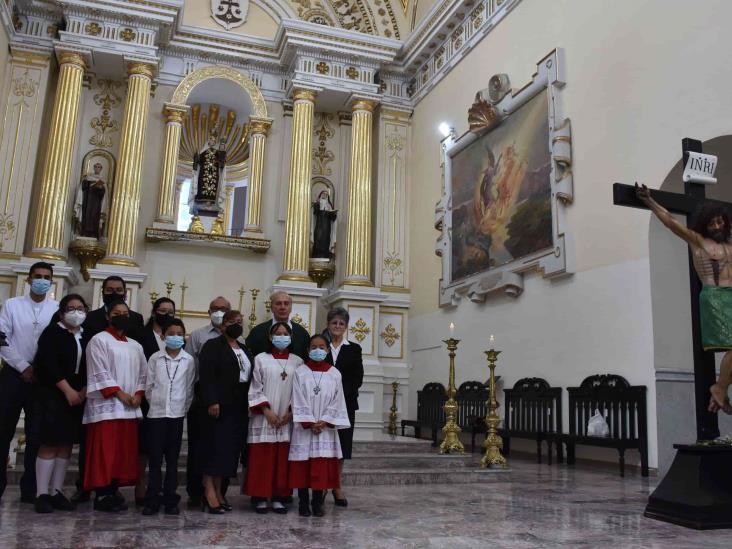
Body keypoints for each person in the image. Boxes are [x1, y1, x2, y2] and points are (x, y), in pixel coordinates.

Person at [637, 184, 732, 413]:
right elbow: (670, 221)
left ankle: (719, 393)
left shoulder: (730, 244)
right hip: (714, 299)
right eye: (712, 222)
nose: (717, 226)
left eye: (720, 221)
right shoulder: (698, 241)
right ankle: (719, 389)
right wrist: (650, 201)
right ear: (705, 224)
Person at [74, 275, 144, 504]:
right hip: (107, 406)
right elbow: (99, 371)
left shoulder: (135, 345)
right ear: (107, 317)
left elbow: (143, 374)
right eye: (116, 315)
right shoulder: (99, 340)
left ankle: (114, 489)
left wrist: (137, 395)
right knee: (105, 451)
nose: (121, 318)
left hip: (129, 408)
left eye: (125, 315)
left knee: (122, 452)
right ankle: (101, 493)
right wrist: (120, 393)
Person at [0, 261, 58, 504]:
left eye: (46, 277)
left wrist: (39, 368)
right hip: (14, 374)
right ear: (28, 279)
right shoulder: (12, 305)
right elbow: (2, 337)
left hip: (42, 378)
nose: (41, 280)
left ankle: (30, 489)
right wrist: (23, 366)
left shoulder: (56, 308)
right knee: (3, 431)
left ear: (51, 281)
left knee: (37, 434)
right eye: (38, 276)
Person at [32, 293, 88, 513]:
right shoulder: (52, 332)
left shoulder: (86, 335)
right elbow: (48, 364)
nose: (76, 312)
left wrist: (82, 390)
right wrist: (67, 390)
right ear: (63, 312)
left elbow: (89, 364)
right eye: (71, 308)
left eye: (81, 308)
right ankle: (42, 493)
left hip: (77, 395)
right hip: (53, 393)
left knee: (65, 444)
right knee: (49, 443)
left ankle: (56, 491)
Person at [289, 335, 350, 518]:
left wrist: (324, 421)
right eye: (314, 347)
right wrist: (309, 422)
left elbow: (338, 400)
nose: (318, 350)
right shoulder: (300, 372)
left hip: (325, 428)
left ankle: (317, 503)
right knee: (303, 466)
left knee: (320, 467)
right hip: (305, 427)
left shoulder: (334, 373)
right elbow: (296, 397)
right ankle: (303, 503)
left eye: (322, 347)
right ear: (308, 350)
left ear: (328, 350)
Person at [198, 310, 253, 514]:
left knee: (228, 450)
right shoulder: (212, 346)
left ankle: (220, 492)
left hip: (238, 406)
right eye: (232, 322)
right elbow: (207, 376)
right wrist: (212, 400)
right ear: (222, 325)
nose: (236, 325)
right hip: (218, 405)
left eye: (239, 321)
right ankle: (208, 491)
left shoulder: (245, 349)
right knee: (214, 447)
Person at [245, 322, 302, 514]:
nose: (282, 336)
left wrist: (291, 412)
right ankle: (260, 496)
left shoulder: (298, 362)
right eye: (278, 333)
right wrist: (266, 411)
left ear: (291, 337)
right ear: (270, 337)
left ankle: (280, 496)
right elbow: (255, 386)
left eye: (286, 333)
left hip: (287, 417)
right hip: (264, 417)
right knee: (263, 457)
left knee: (282, 458)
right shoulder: (261, 359)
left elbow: (301, 391)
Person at [142, 318, 195, 516]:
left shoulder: (188, 360)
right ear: (163, 336)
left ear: (184, 336)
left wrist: (181, 408)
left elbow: (189, 388)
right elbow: (149, 385)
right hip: (156, 414)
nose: (175, 337)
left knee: (172, 460)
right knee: (155, 460)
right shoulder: (155, 358)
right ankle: (152, 499)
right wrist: (156, 402)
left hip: (177, 415)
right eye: (171, 333)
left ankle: (171, 499)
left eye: (179, 333)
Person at [184, 296, 231, 508]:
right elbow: (189, 367)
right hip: (202, 399)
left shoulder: (238, 338)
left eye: (224, 309)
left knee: (223, 447)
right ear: (208, 311)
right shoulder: (197, 336)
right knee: (199, 446)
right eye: (215, 308)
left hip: (229, 402)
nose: (219, 312)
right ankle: (196, 492)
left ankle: (221, 491)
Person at [135, 297, 176, 505]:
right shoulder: (142, 335)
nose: (166, 315)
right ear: (154, 312)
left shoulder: (175, 337)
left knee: (164, 447)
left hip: (168, 401)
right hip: (146, 397)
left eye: (170, 312)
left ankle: (160, 487)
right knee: (144, 445)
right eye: (162, 310)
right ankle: (141, 485)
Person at [323, 307, 363, 507]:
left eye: (341, 323)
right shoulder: (320, 346)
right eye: (334, 323)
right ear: (328, 325)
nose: (337, 326)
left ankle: (337, 486)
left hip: (345, 405)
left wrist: (339, 396)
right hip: (321, 404)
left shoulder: (354, 348)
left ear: (346, 327)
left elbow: (357, 378)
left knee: (342, 446)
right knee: (323, 444)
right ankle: (321, 484)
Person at [246, 291, 310, 360]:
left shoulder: (302, 333)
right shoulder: (257, 331)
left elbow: (306, 360)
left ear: (291, 307)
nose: (282, 307)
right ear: (271, 307)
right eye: (278, 303)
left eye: (286, 304)